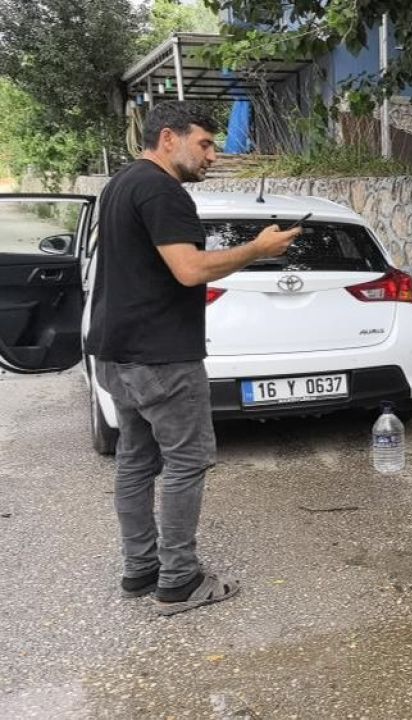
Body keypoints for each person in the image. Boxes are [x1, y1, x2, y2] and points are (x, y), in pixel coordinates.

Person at [86, 101, 300, 615]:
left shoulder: (119, 184)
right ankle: (179, 581)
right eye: (204, 144)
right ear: (168, 139)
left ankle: (140, 569)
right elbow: (188, 270)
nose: (213, 155)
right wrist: (257, 249)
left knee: (137, 461)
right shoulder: (163, 191)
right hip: (162, 358)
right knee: (186, 462)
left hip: (117, 355)